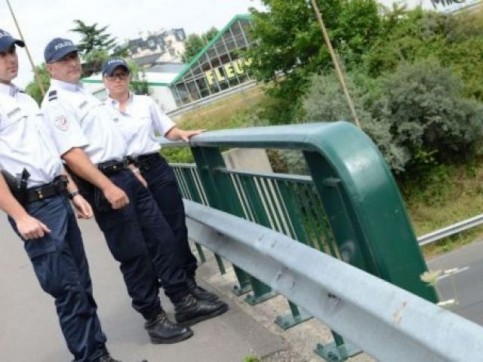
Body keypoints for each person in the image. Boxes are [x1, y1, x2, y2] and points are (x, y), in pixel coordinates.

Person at [40, 38, 227, 341]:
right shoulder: (56, 103)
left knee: (163, 238)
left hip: (125, 174)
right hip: (103, 182)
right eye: (64, 60)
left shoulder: (81, 93)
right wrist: (107, 186)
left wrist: (130, 168)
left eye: (74, 56)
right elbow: (72, 154)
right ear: (50, 68)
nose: (72, 63)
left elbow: (107, 140)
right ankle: (153, 319)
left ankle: (183, 301)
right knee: (134, 253)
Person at [0, 29, 131, 362]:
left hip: (57, 199)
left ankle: (98, 353)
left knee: (82, 284)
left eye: (11, 51)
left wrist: (72, 191)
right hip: (34, 209)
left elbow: (47, 153)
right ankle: (90, 357)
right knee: (68, 290)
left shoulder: (24, 99)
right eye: (1, 55)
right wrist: (19, 216)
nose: (10, 59)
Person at [101, 57, 220, 303]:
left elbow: (167, 129)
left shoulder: (145, 103)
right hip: (128, 173)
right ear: (104, 80)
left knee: (175, 226)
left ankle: (189, 282)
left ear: (129, 77)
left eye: (122, 74)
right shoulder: (101, 112)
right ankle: (172, 286)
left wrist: (183, 133)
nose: (119, 80)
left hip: (155, 169)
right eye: (113, 76)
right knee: (152, 234)